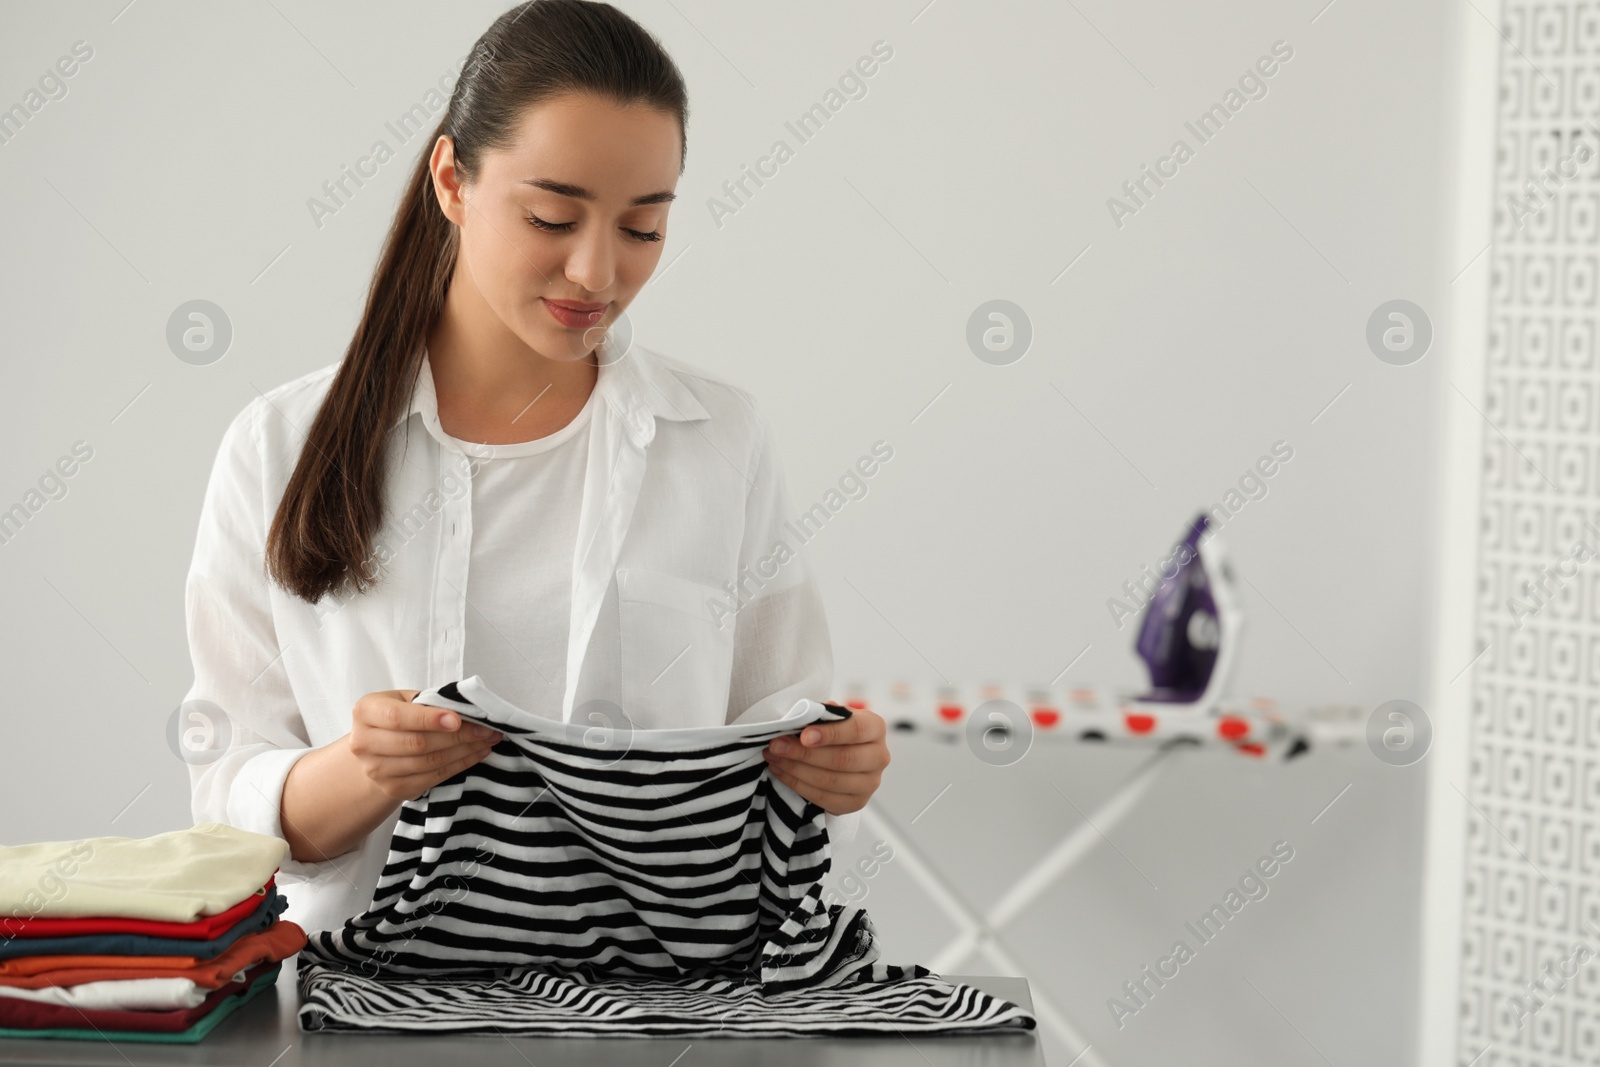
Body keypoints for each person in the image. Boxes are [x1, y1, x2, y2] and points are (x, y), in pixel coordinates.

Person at [181, 0, 889, 936]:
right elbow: (227, 807)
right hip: (371, 1010)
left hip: (664, 1011)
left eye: (643, 228)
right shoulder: (279, 447)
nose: (597, 272)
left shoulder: (719, 438)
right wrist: (361, 767)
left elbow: (780, 738)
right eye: (553, 216)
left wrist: (837, 765)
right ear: (452, 181)